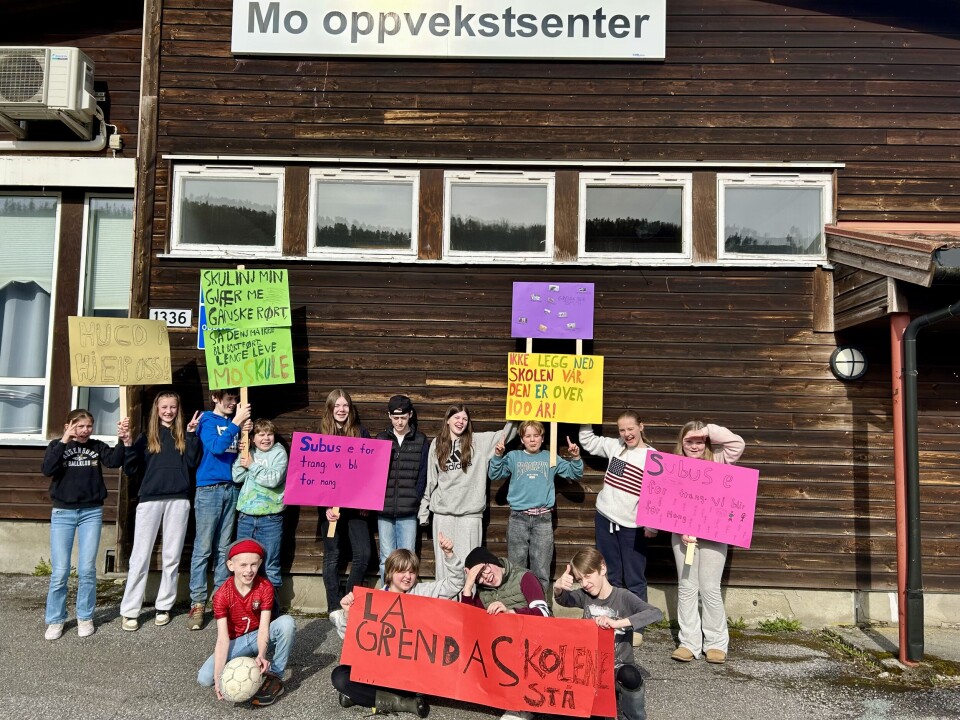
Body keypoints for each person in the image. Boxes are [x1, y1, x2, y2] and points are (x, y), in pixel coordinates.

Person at [328, 531, 464, 717]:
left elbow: (456, 583)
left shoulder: (424, 592)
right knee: (340, 677)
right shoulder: (373, 599)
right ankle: (402, 703)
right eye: (402, 571)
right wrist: (347, 614)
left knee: (428, 683)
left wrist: (449, 554)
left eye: (412, 572)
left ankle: (360, 697)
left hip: (409, 672)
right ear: (390, 573)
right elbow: (351, 640)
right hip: (378, 670)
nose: (408, 576)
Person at [41, 408, 130, 640]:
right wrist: (64, 441)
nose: (84, 430)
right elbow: (47, 469)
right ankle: (55, 620)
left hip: (91, 512)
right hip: (63, 513)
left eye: (88, 426)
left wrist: (122, 440)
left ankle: (85, 616)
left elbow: (114, 461)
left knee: (87, 569)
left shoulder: (97, 446)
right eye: (79, 426)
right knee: (60, 572)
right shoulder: (57, 446)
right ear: (68, 426)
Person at [119, 391, 201, 631]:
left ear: (178, 409)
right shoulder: (146, 437)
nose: (168, 411)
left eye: (172, 407)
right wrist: (127, 444)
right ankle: (130, 610)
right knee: (140, 556)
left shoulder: (184, 436)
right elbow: (131, 468)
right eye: (164, 407)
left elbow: (193, 463)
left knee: (171, 556)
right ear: (157, 409)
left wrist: (191, 434)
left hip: (179, 499)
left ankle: (164, 606)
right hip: (150, 500)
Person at [554, 547, 663, 720]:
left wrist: (618, 623)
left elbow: (655, 613)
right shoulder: (585, 595)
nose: (584, 584)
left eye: (588, 576)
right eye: (580, 579)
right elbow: (565, 600)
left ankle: (632, 716)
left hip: (617, 666)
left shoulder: (623, 596)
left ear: (602, 568)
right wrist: (558, 588)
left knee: (630, 676)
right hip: (591, 667)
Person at [670, 421, 745, 665]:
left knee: (710, 587)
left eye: (699, 441)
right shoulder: (674, 466)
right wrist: (680, 528)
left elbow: (738, 444)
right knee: (687, 587)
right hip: (683, 537)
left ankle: (715, 643)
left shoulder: (719, 460)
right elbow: (667, 502)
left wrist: (708, 430)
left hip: (714, 536)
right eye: (689, 441)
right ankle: (688, 642)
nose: (694, 446)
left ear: (707, 441)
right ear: (681, 442)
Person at [418, 405, 516, 584]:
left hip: (470, 516)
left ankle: (467, 599)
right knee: (444, 566)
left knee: (470, 566)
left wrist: (518, 414)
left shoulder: (479, 442)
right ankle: (445, 601)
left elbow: (506, 434)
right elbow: (431, 480)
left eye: (464, 418)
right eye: (456, 418)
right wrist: (424, 509)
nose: (460, 422)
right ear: (448, 420)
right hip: (443, 515)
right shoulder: (437, 444)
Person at [197, 539, 295, 706]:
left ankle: (275, 676)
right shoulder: (221, 595)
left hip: (258, 637)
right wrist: (218, 677)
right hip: (236, 643)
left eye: (253, 564)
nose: (249, 570)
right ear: (231, 565)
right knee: (205, 679)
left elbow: (264, 628)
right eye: (243, 565)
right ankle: (243, 662)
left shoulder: (265, 587)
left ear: (260, 563)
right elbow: (222, 639)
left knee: (287, 623)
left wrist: (262, 655)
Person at [488, 421, 583, 593]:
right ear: (522, 439)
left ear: (542, 438)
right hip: (518, 518)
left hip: (543, 519)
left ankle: (540, 603)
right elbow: (494, 474)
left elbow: (574, 473)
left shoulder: (550, 457)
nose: (532, 440)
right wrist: (497, 456)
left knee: (541, 567)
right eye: (528, 436)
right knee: (516, 565)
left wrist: (575, 457)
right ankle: (517, 601)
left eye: (536, 436)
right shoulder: (514, 457)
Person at [187, 388, 252, 630]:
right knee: (203, 548)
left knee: (225, 548)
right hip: (209, 488)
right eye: (228, 398)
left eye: (235, 399)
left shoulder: (235, 422)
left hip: (231, 487)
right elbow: (215, 447)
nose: (232, 403)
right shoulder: (206, 420)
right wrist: (236, 423)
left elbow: (236, 453)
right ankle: (197, 603)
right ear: (215, 397)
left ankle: (220, 598)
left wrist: (245, 432)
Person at [461, 547, 549, 720]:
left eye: (484, 569)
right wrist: (468, 586)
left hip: (534, 643)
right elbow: (469, 624)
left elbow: (544, 613)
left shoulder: (524, 577)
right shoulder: (483, 591)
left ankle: (521, 706)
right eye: (479, 577)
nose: (485, 577)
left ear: (492, 561)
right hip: (505, 647)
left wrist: (511, 612)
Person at [579, 411, 656, 606]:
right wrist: (585, 415)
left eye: (631, 429)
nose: (627, 434)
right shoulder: (616, 446)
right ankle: (611, 617)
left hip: (632, 526)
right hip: (605, 520)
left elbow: (655, 495)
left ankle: (639, 620)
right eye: (622, 430)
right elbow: (588, 441)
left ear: (641, 426)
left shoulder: (652, 457)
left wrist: (652, 525)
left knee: (634, 577)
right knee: (610, 574)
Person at [320, 388, 372, 611]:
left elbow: (370, 470)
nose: (341, 410)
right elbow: (314, 474)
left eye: (345, 406)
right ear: (330, 408)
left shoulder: (361, 433)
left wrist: (367, 501)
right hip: (331, 507)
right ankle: (334, 607)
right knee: (332, 555)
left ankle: (348, 602)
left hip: (356, 506)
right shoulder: (321, 436)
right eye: (337, 405)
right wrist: (325, 507)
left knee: (363, 554)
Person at [375, 394, 430, 585]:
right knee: (386, 558)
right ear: (389, 416)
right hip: (384, 509)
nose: (399, 422)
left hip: (408, 509)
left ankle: (407, 598)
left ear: (410, 415)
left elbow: (423, 473)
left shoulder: (420, 440)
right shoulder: (381, 438)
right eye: (395, 417)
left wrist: (416, 498)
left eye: (403, 417)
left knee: (408, 558)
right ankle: (386, 595)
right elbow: (374, 473)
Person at [233, 418, 289, 597]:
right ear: (253, 438)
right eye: (261, 435)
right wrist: (243, 454)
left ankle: (271, 608)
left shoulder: (279, 453)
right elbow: (237, 476)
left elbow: (273, 479)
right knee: (244, 562)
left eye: (269, 434)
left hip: (270, 517)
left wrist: (252, 465)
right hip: (246, 516)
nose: (266, 438)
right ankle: (245, 605)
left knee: (269, 564)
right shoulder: (250, 452)